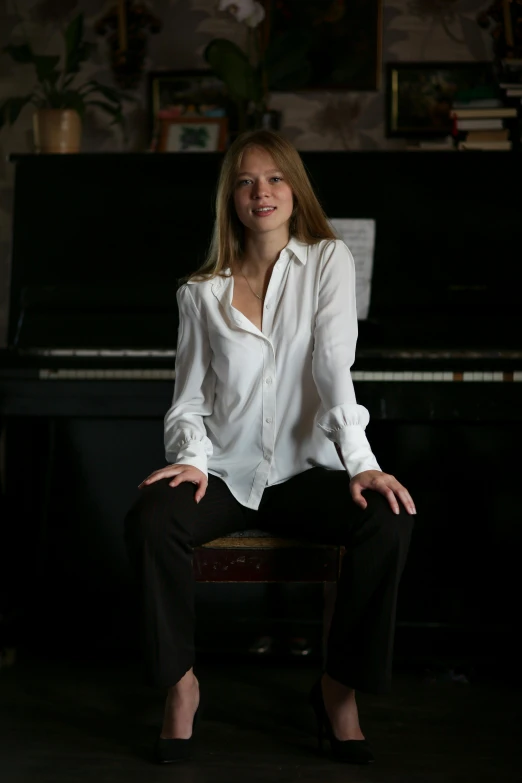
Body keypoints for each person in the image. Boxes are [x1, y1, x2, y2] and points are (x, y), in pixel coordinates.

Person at [124, 129, 416, 766]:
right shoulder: (200, 292)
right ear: (230, 197)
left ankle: (338, 692)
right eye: (246, 181)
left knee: (388, 523)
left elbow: (334, 367)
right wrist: (192, 459)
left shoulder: (327, 261)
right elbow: (189, 399)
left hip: (308, 472)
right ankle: (181, 688)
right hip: (225, 475)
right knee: (151, 520)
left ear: (295, 188)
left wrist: (362, 465)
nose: (262, 192)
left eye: (275, 178)